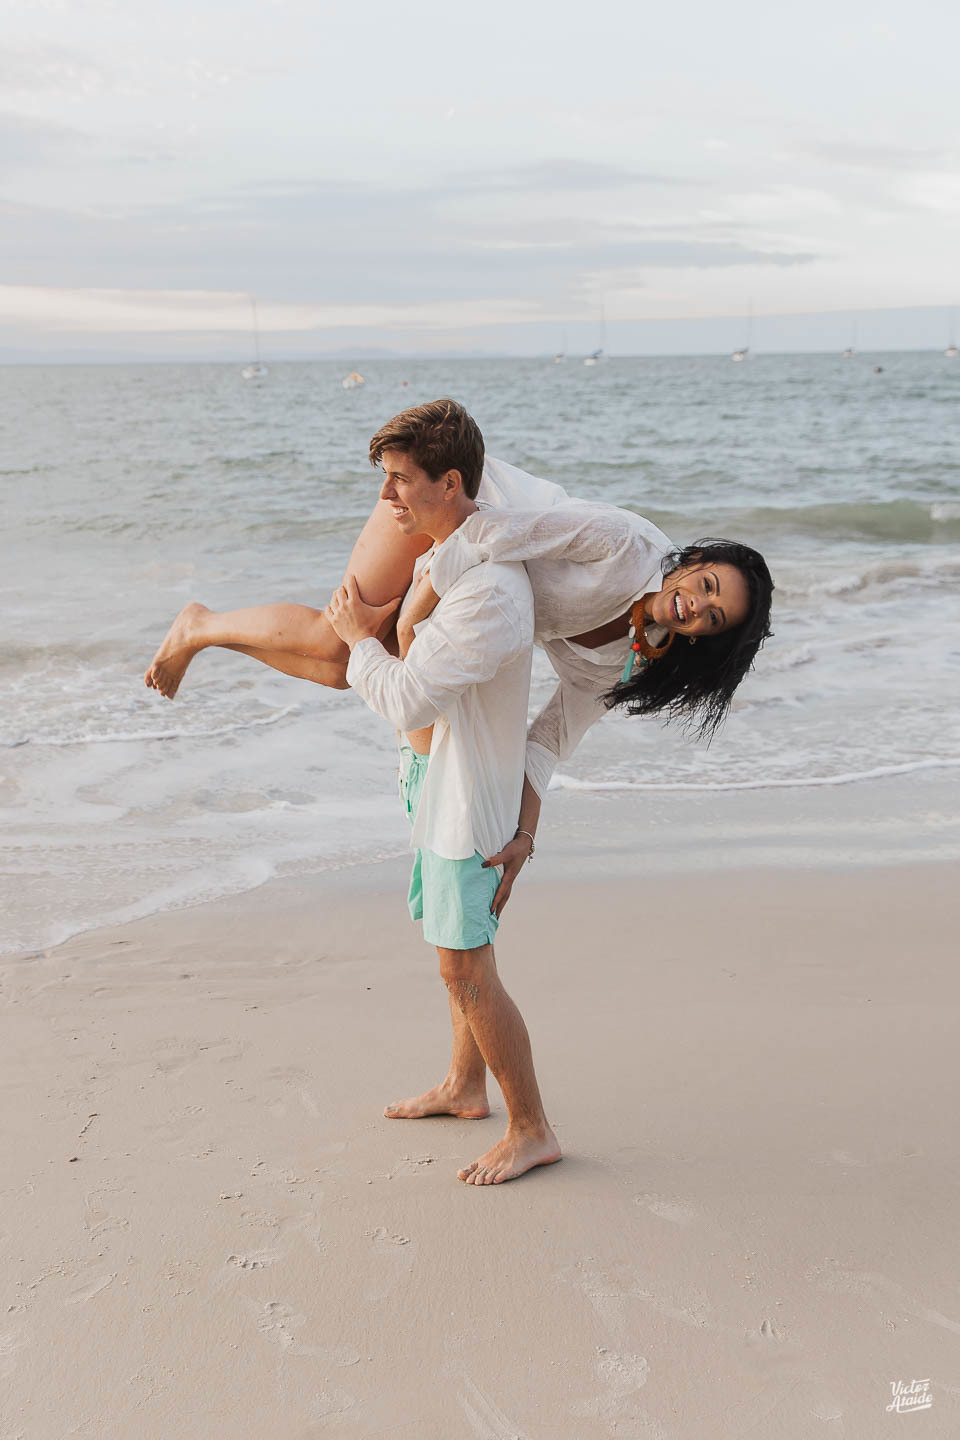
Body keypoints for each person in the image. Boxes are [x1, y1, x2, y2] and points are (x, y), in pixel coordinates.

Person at [144, 399, 774, 913]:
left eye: (713, 618)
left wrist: (523, 836)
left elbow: (547, 742)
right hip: (454, 501)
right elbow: (494, 531)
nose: (697, 605)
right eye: (707, 585)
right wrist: (419, 598)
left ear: (705, 639)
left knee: (344, 672)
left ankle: (204, 628)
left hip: (481, 572)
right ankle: (199, 624)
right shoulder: (627, 544)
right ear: (693, 563)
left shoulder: (628, 660)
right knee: (339, 647)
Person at [324, 414, 560, 1186]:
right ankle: (465, 1088)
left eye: (400, 479)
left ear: (451, 484)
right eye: (385, 476)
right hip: (438, 785)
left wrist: (358, 638)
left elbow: (405, 700)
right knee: (456, 957)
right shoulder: (458, 555)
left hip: (470, 807)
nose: (387, 495)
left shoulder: (491, 593)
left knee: (466, 970)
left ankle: (532, 1128)